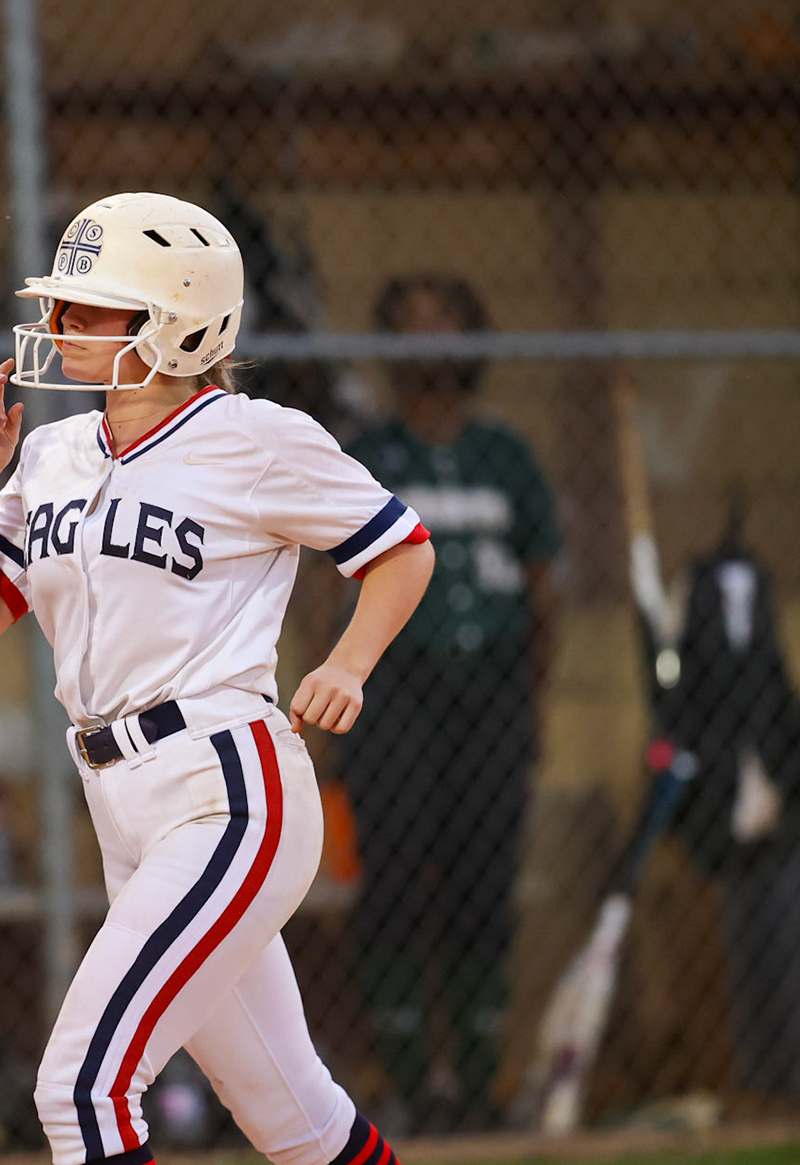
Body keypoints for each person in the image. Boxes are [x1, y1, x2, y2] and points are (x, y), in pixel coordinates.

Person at [0, 193, 436, 1165]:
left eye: (92, 306)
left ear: (176, 320)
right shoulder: (53, 451)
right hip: (121, 803)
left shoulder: (254, 436)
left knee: (81, 1088)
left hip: (225, 787)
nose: (61, 322)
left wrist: (349, 661)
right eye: (64, 304)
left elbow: (402, 548)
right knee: (297, 1118)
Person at [338, 274, 561, 1131]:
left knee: (484, 880)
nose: (429, 337)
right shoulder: (366, 454)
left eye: (446, 322)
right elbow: (329, 583)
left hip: (493, 690)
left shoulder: (506, 455)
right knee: (394, 877)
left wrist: (530, 700)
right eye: (411, 324)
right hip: (394, 690)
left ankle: (476, 1084)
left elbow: (544, 588)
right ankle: (403, 1084)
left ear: (474, 338)